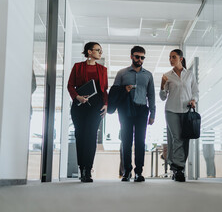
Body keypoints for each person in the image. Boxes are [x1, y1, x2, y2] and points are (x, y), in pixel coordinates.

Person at [113, 45, 155, 182]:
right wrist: (125, 89)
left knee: (140, 142)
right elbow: (114, 93)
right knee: (126, 141)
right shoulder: (122, 73)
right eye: (137, 56)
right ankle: (126, 172)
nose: (140, 59)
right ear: (131, 56)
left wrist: (152, 114)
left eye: (142, 57)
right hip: (125, 110)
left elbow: (151, 95)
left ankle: (139, 172)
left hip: (142, 110)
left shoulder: (148, 75)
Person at [67, 42, 108, 183]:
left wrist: (106, 104)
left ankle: (87, 170)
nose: (100, 53)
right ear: (89, 52)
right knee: (80, 135)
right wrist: (77, 97)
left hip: (96, 106)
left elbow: (105, 90)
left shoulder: (102, 69)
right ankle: (82, 167)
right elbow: (70, 85)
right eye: (98, 50)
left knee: (91, 136)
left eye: (101, 51)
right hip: (79, 104)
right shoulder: (78, 67)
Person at [160, 49, 199, 182]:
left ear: (181, 59)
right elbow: (162, 97)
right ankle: (178, 168)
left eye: (173, 57)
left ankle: (176, 167)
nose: (171, 60)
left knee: (185, 139)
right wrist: (162, 85)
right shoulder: (167, 75)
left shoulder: (189, 75)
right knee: (177, 138)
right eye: (170, 57)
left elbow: (195, 91)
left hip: (186, 111)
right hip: (171, 110)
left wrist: (193, 100)